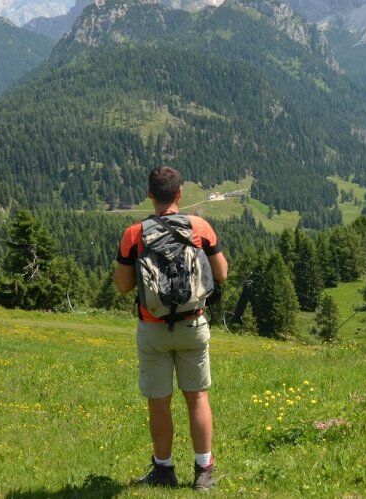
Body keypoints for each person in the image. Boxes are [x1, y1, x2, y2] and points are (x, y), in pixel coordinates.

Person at [114, 167, 228, 490]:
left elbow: (122, 285)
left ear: (150, 195)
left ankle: (163, 471)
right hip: (193, 324)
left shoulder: (133, 234)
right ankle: (204, 471)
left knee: (159, 402)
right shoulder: (200, 227)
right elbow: (222, 273)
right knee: (197, 397)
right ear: (179, 194)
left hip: (152, 329)